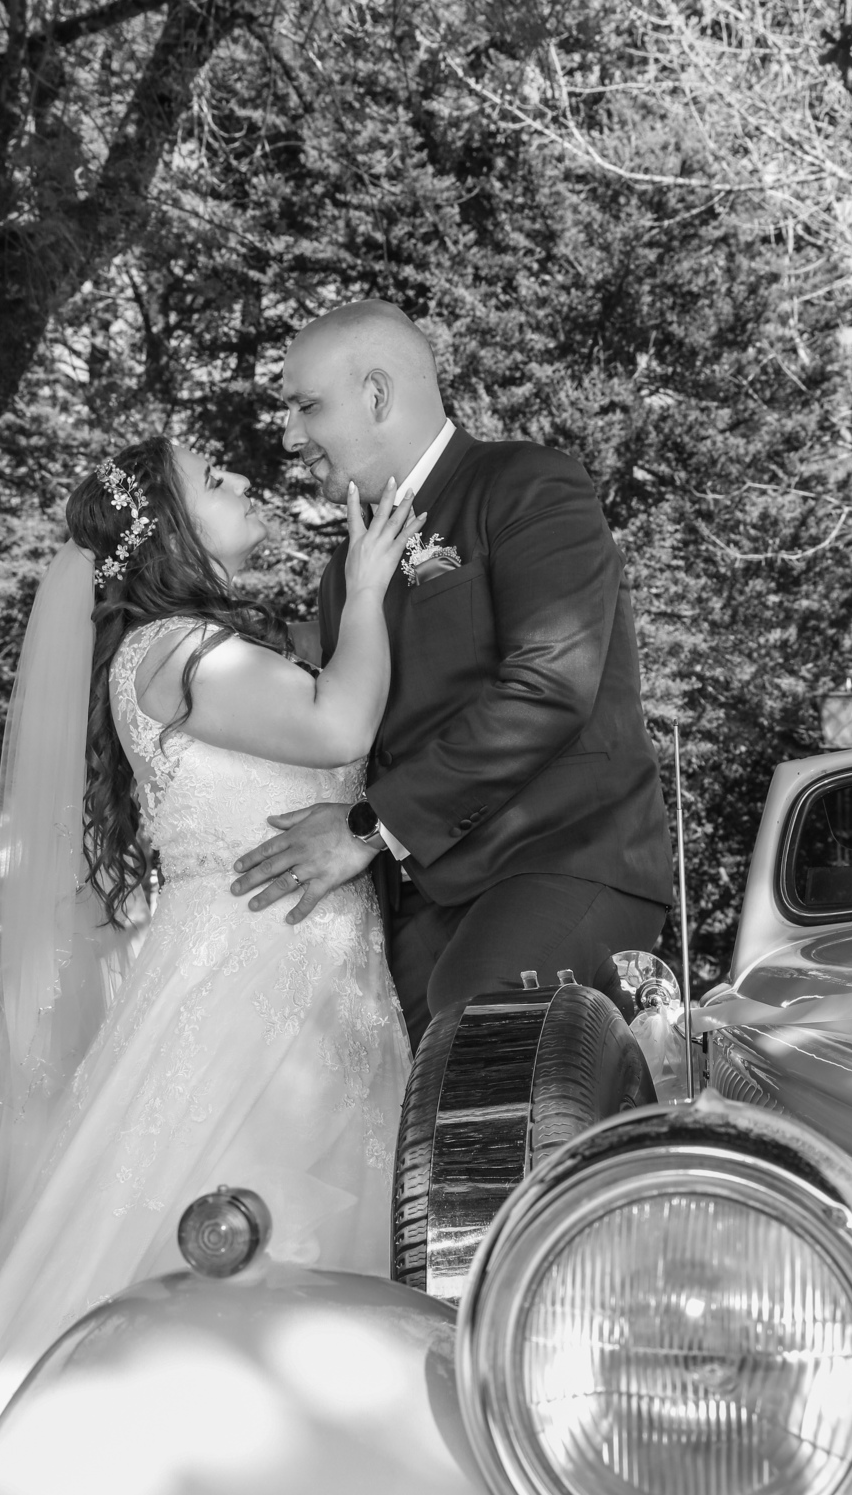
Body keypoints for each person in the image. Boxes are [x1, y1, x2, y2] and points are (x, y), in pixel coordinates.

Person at [0, 436, 416, 1495]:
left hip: (316, 985)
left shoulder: (200, 648)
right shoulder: (177, 649)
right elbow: (340, 730)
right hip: (249, 993)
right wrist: (372, 589)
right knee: (236, 1243)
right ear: (166, 530)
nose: (243, 483)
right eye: (216, 480)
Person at [232, 301, 674, 1050]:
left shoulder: (528, 485)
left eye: (306, 406)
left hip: (564, 860)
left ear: (377, 394)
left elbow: (549, 687)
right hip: (424, 899)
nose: (288, 435)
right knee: (375, 1069)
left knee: (474, 1027)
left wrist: (369, 827)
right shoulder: (343, 574)